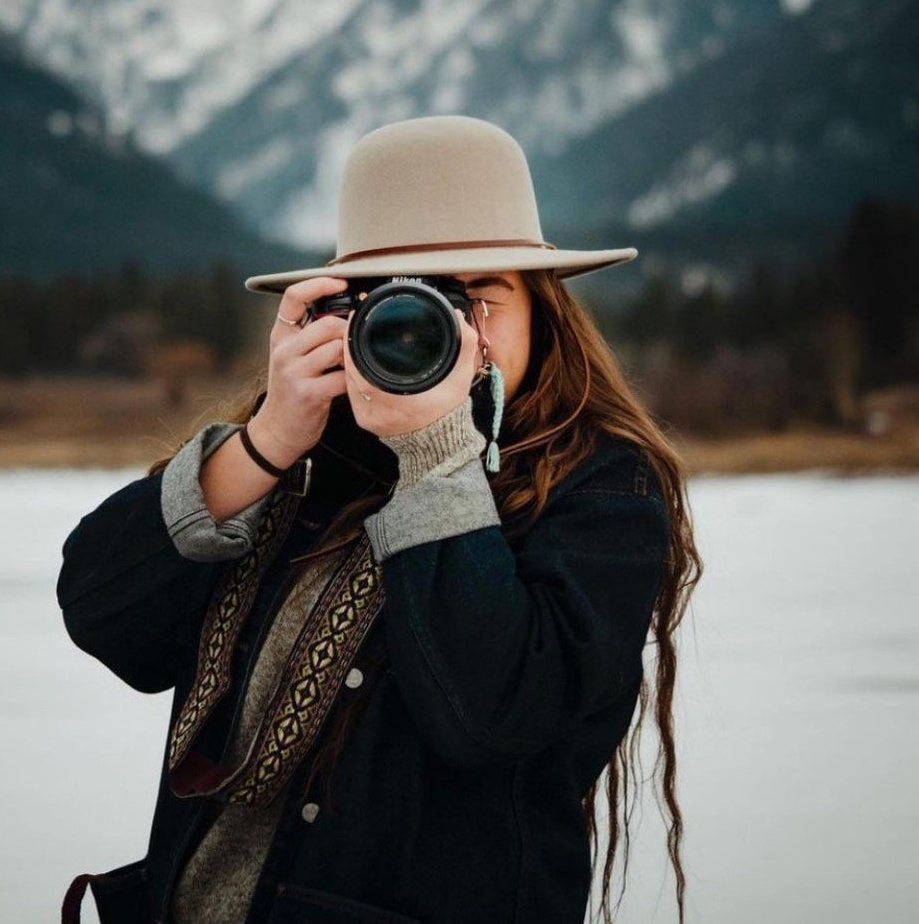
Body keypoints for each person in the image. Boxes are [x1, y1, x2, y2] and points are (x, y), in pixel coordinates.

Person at [57, 114, 702, 924]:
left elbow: (497, 717)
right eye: (393, 304)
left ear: (546, 313)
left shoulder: (600, 489)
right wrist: (265, 443)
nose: (439, 332)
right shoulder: (304, 463)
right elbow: (101, 612)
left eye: (476, 300)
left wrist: (436, 457)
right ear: (337, 315)